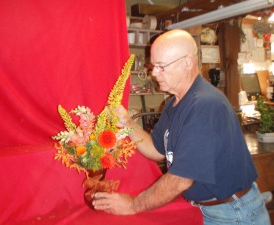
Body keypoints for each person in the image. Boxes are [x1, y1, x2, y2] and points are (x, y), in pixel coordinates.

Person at [92, 29, 271, 224]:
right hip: (206, 209)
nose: (153, 73)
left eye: (161, 66)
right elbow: (157, 149)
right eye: (153, 66)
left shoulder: (204, 105)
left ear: (187, 62)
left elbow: (181, 179)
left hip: (232, 214)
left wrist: (133, 204)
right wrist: (127, 123)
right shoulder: (174, 103)